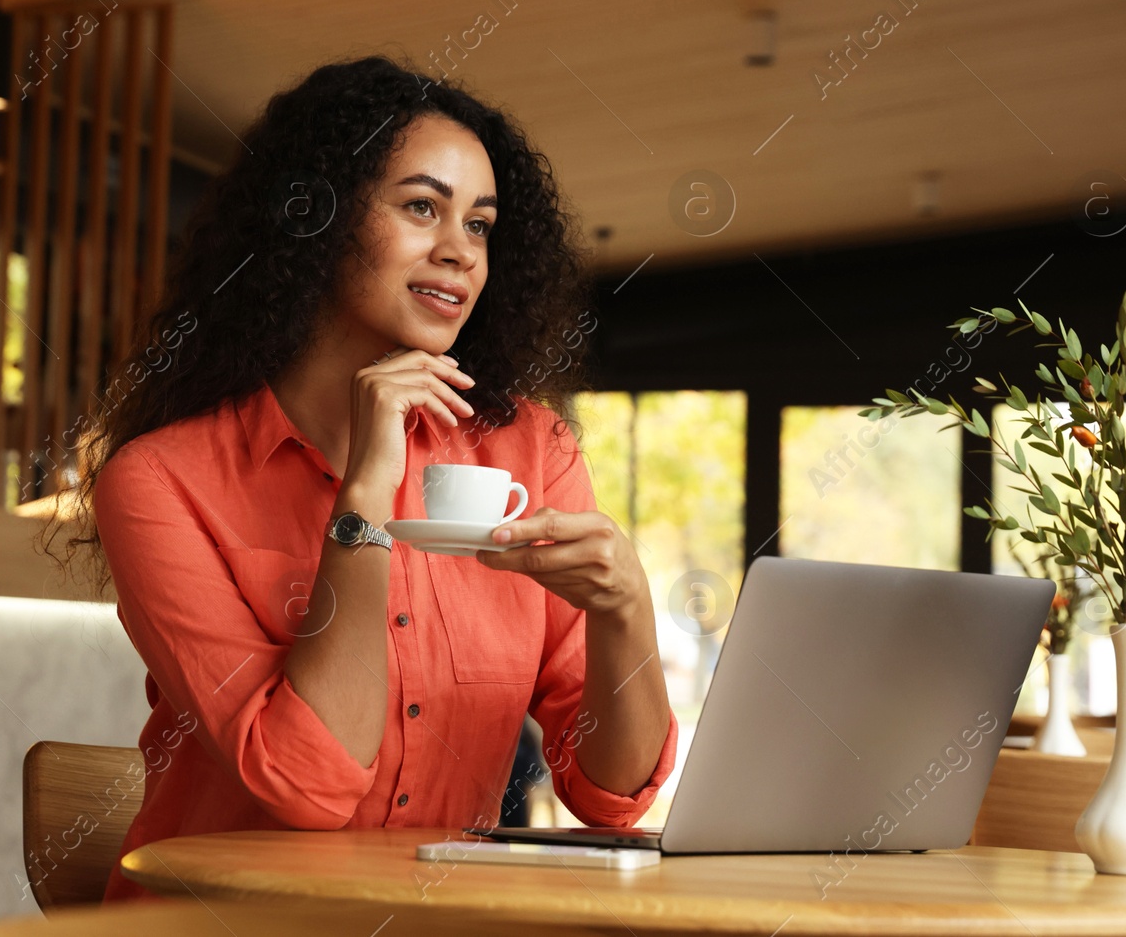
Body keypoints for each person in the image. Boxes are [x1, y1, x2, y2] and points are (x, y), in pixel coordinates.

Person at [68, 55, 678, 902]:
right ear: (316, 218)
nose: (459, 252)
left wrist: (624, 608)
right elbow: (305, 783)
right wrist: (363, 496)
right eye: (422, 207)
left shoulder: (528, 452)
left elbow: (612, 798)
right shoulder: (160, 482)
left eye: (480, 225)